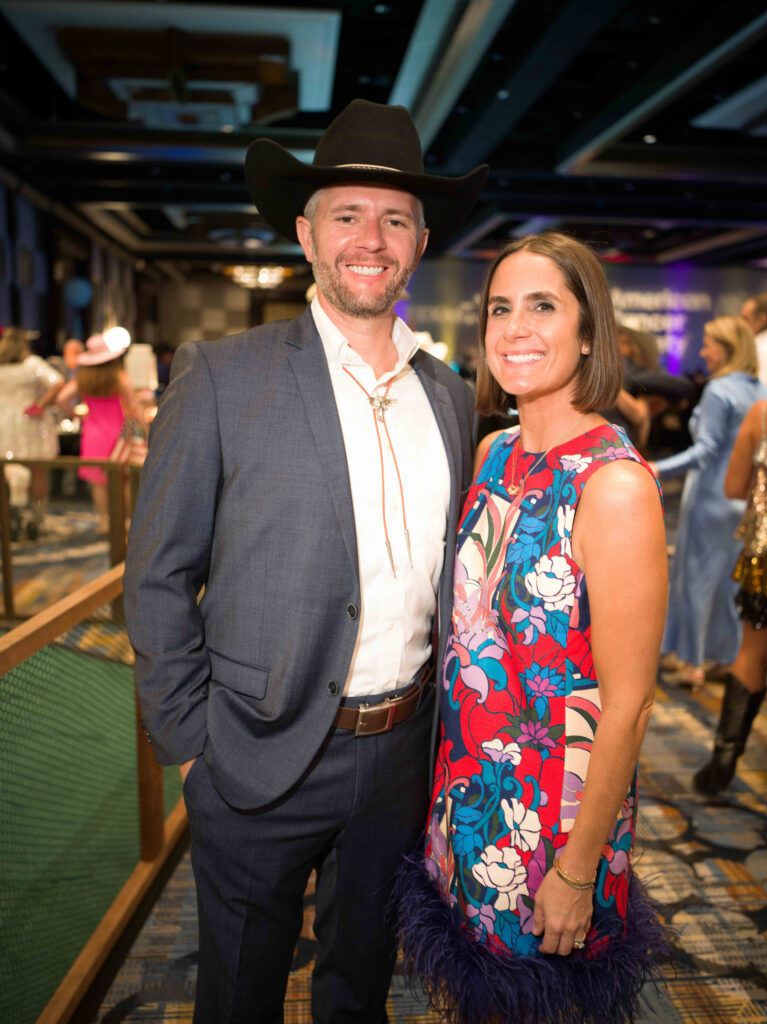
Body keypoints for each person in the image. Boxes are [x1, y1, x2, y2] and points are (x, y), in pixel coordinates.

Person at [123, 98, 487, 1024]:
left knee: (360, 986)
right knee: (240, 988)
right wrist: (191, 746)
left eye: (395, 218)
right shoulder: (220, 373)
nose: (372, 237)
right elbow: (158, 575)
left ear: (419, 240)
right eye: (347, 215)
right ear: (305, 233)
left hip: (404, 753)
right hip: (249, 752)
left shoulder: (451, 397)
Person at [393, 232, 669, 1024]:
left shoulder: (611, 487)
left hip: (553, 824)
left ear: (589, 334)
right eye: (500, 309)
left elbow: (630, 704)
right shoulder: (493, 451)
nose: (515, 327)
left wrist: (578, 871)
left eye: (543, 306)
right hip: (470, 799)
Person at [651, 317, 767, 689]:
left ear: (728, 349)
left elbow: (706, 450)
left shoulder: (719, 391)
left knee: (697, 581)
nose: (702, 352)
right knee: (729, 586)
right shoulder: (759, 390)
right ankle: (726, 656)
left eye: (708, 345)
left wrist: (654, 468)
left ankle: (693, 662)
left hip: (709, 499)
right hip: (743, 500)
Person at [693, 398, 767, 795]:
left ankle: (722, 763)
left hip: (764, 553)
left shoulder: (763, 413)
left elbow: (733, 486)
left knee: (753, 652)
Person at [56, 333, 145, 533]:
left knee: (98, 483)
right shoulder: (119, 377)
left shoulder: (83, 379)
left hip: (93, 435)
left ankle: (104, 522)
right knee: (123, 481)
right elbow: (135, 407)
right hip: (118, 435)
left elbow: (62, 398)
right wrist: (146, 430)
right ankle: (125, 521)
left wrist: (78, 414)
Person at [0, 325, 64, 529]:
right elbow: (58, 381)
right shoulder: (31, 363)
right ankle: (36, 517)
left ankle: (10, 516)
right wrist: (40, 404)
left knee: (6, 469)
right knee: (37, 470)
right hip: (29, 421)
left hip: (3, 422)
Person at [741, 293, 767, 385]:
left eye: (745, 319)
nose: (741, 324)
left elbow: (762, 390)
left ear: (761, 319)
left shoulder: (760, 349)